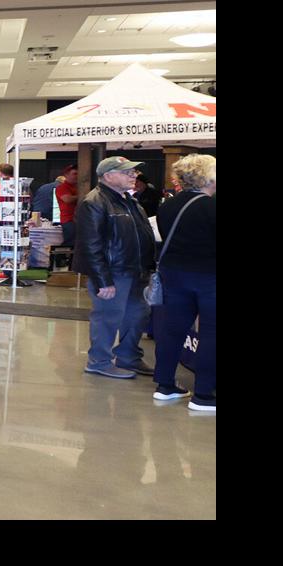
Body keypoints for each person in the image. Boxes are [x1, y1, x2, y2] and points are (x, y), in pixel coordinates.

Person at [78, 155, 157, 379]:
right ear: (108, 176)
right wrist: (103, 281)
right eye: (127, 172)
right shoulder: (94, 202)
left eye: (134, 172)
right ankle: (99, 361)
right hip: (114, 272)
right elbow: (91, 245)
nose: (134, 175)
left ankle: (129, 357)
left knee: (137, 315)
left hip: (135, 270)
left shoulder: (129, 200)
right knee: (107, 317)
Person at [151, 154, 216, 413]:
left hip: (174, 275)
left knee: (172, 330)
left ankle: (165, 385)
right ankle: (203, 395)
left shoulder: (167, 206)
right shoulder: (211, 207)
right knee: (211, 332)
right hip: (208, 276)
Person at [56, 164, 80, 247]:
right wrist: (83, 196)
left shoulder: (77, 187)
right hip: (69, 220)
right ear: (66, 175)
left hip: (78, 219)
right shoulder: (62, 187)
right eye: (75, 174)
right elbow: (67, 199)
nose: (77, 176)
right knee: (70, 242)